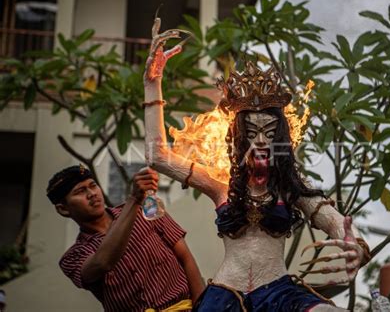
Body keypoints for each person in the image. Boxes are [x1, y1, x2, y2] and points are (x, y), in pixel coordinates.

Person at [143, 20, 371, 311]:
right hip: (224, 297)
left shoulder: (292, 190)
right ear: (239, 140)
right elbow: (157, 155)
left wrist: (354, 246)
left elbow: (339, 225)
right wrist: (153, 84)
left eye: (268, 132)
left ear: (280, 139)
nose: (260, 141)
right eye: (251, 134)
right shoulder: (219, 185)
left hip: (279, 294)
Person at [47, 165, 204, 312]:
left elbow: (185, 257)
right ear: (63, 209)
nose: (92, 194)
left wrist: (203, 306)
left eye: (93, 185)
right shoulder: (73, 258)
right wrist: (134, 199)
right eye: (80, 191)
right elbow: (103, 262)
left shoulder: (146, 208)